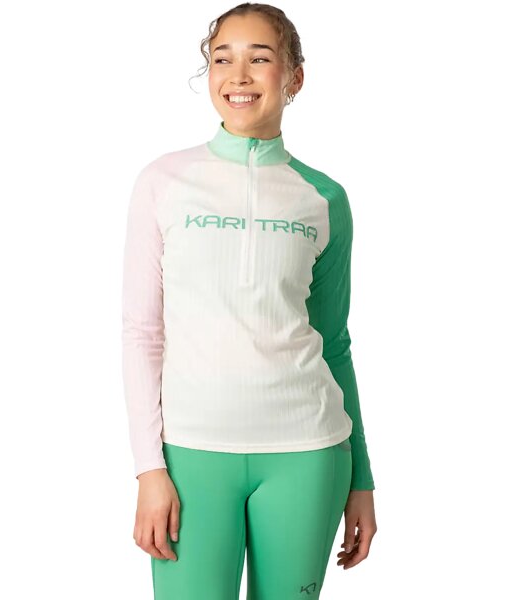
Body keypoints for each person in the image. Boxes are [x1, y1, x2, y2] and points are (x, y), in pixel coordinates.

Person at [121, 3, 377, 598]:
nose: (238, 76)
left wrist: (361, 478)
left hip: (309, 453)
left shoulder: (324, 198)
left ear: (294, 78)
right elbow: (141, 334)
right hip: (190, 454)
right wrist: (148, 468)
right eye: (222, 59)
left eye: (259, 59)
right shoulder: (163, 182)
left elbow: (333, 342)